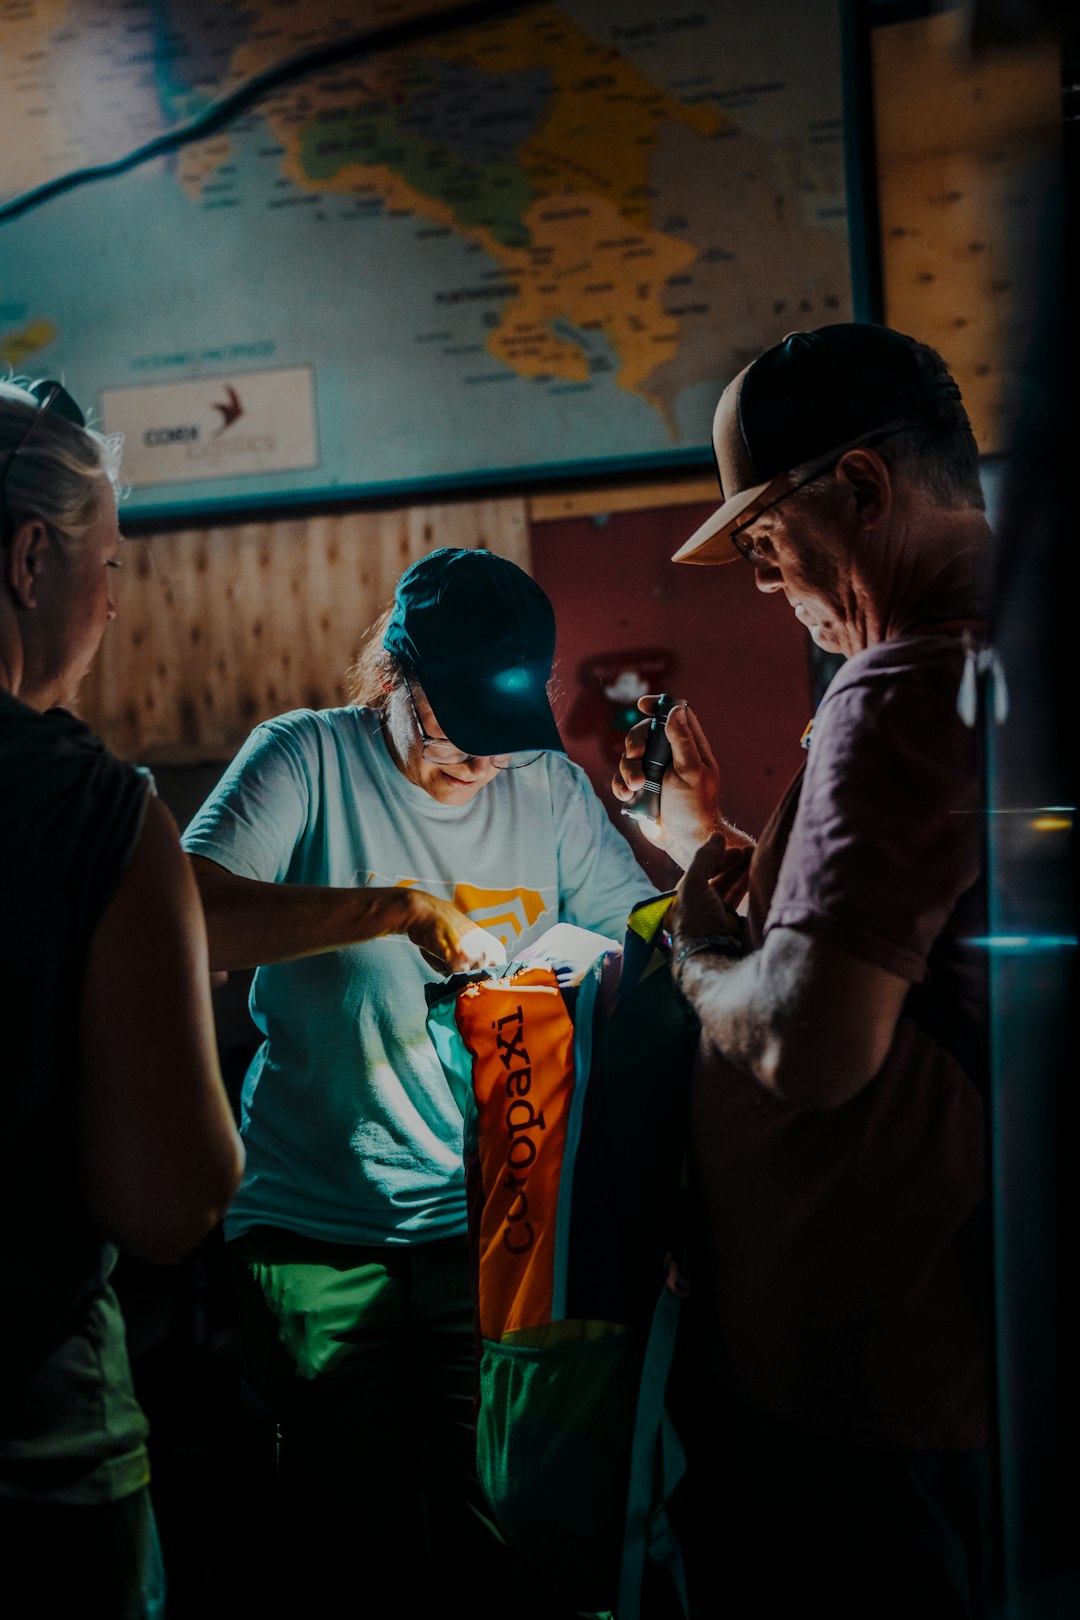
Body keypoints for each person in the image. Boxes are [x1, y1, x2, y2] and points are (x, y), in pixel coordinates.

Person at [181, 545, 657, 1616]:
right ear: (393, 677)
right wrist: (396, 909)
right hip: (314, 1232)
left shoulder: (543, 784)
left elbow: (638, 942)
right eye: (454, 735)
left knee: (504, 1529)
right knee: (348, 1545)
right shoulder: (304, 758)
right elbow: (186, 911)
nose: (480, 765)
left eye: (503, 737)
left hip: (495, 1237)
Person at [613, 324, 994, 1619]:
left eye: (767, 542)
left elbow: (807, 1041)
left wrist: (695, 954)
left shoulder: (900, 685)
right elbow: (890, 928)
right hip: (945, 1369)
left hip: (858, 1396)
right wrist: (705, 845)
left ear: (864, 489)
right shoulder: (997, 658)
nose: (767, 582)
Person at [0, 377, 244, 1615]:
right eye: (107, 566)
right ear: (28, 561)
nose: (111, 604)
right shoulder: (92, 809)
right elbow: (169, 1202)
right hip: (31, 1466)